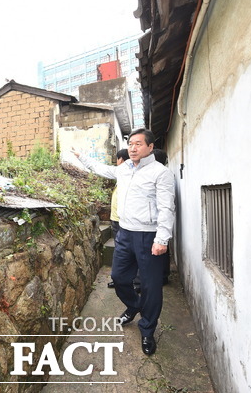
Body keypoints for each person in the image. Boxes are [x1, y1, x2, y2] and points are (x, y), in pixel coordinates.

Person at [73, 128, 175, 355]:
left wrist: (162, 239)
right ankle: (134, 306)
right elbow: (102, 169)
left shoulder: (160, 173)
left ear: (150, 147)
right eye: (130, 144)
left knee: (150, 286)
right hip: (125, 234)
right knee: (119, 278)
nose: (133, 148)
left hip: (149, 235)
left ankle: (147, 329)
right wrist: (82, 157)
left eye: (138, 144)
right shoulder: (125, 169)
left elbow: (167, 208)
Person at [133, 148, 171, 293]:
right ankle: (162, 277)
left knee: (146, 257)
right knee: (160, 253)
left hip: (150, 224)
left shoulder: (158, 175)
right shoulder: (165, 174)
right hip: (158, 225)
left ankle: (141, 284)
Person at [107, 148, 129, 289]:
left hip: (123, 221)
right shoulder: (122, 175)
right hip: (116, 219)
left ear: (121, 160)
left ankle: (125, 280)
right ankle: (120, 279)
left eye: (117, 159)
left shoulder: (127, 174)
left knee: (124, 252)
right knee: (120, 251)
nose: (117, 162)